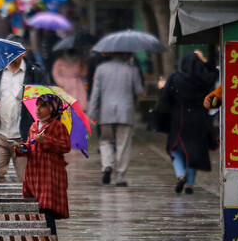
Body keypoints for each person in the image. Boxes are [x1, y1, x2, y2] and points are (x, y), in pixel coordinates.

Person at [0, 35, 51, 183]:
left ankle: (30, 204)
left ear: (23, 53)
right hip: (1, 135)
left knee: (26, 178)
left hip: (23, 138)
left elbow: (46, 104)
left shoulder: (36, 74)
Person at [157, 51, 218, 194]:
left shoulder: (176, 78)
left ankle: (181, 175)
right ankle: (190, 184)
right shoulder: (204, 79)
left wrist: (162, 88)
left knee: (175, 149)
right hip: (199, 119)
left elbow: (167, 98)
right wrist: (204, 61)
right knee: (194, 152)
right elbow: (214, 73)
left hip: (179, 118)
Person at [15, 94, 71, 235]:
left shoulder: (58, 127)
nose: (38, 109)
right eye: (37, 105)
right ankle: (40, 239)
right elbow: (30, 146)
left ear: (52, 109)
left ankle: (51, 239)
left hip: (49, 175)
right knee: (36, 208)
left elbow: (66, 146)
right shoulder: (34, 126)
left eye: (43, 106)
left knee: (46, 208)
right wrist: (22, 148)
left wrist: (46, 140)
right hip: (34, 175)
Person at [88, 52, 144, 187]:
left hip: (105, 112)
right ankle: (120, 176)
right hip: (125, 112)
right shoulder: (132, 69)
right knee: (123, 144)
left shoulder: (101, 69)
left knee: (106, 141)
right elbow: (139, 91)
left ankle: (107, 165)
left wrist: (93, 113)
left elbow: (95, 93)